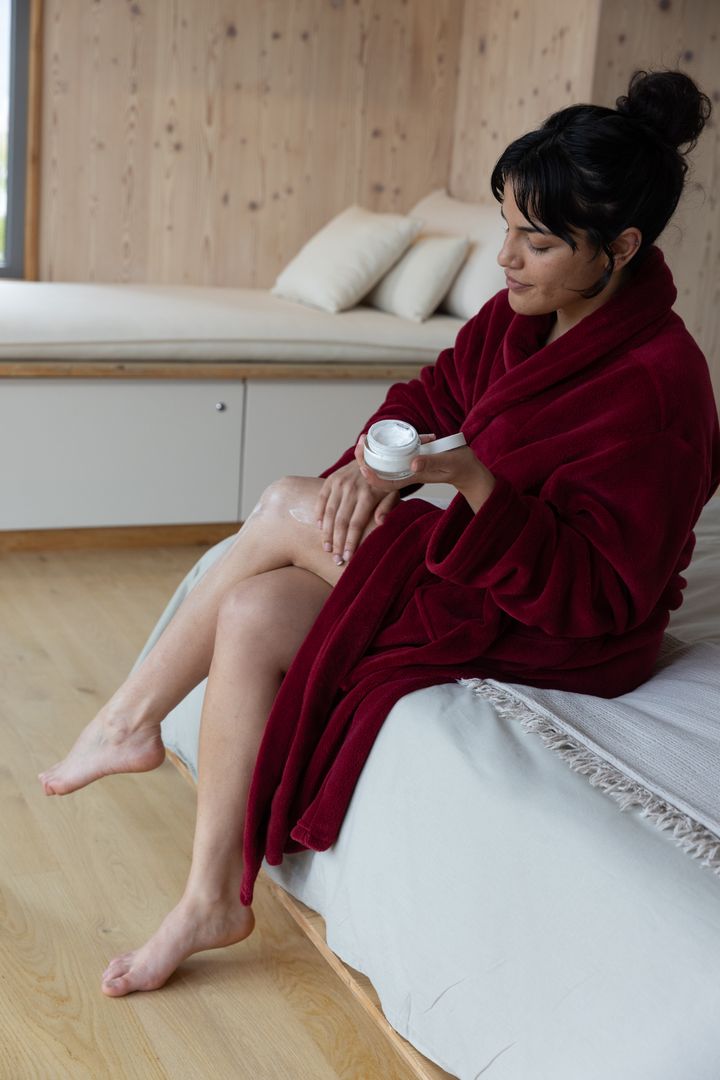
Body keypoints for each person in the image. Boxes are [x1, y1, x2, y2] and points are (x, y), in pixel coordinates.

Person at [39, 69, 719, 997]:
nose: (506, 260)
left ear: (622, 247)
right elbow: (430, 395)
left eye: (538, 240)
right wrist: (371, 462)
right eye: (506, 227)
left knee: (284, 504)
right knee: (250, 613)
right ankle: (212, 897)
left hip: (565, 630)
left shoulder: (659, 385)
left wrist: (474, 482)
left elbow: (604, 593)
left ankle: (129, 719)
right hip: (494, 572)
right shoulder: (531, 316)